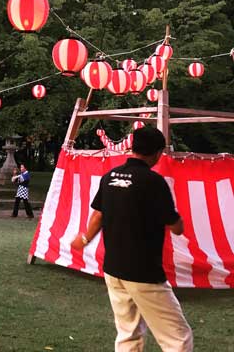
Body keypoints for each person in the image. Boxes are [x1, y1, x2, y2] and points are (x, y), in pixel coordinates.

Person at [71, 126, 193, 352]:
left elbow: (98, 215)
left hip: (113, 269)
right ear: (158, 153)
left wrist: (85, 239)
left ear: (132, 147)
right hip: (143, 272)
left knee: (129, 334)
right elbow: (174, 225)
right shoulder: (153, 181)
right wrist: (178, 223)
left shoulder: (110, 177)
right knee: (178, 337)